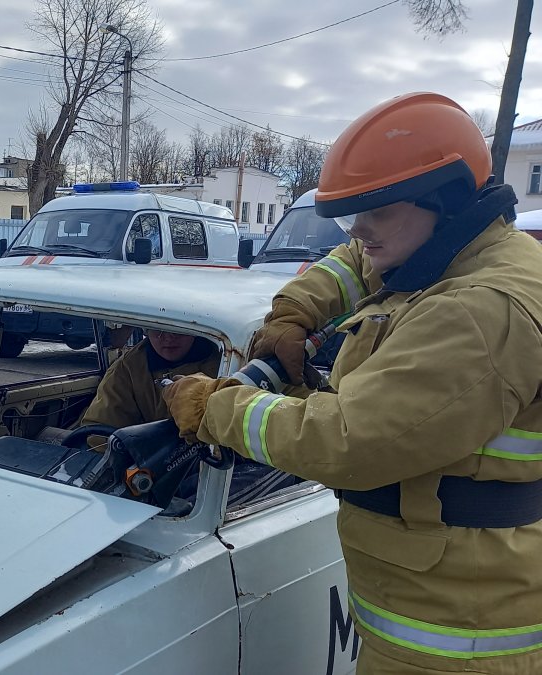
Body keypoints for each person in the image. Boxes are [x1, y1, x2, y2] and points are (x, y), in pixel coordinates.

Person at [163, 92, 542, 674]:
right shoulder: (452, 246)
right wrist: (294, 311)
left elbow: (349, 441)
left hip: (455, 640)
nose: (361, 230)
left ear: (444, 201)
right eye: (354, 212)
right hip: (432, 599)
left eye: (377, 211)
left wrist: (218, 408)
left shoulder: (481, 311)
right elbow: (354, 259)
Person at [80, 328, 220, 431]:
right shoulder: (128, 367)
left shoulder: (225, 365)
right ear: (146, 330)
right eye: (157, 329)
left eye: (178, 329)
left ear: (195, 330)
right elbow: (101, 427)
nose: (168, 337)